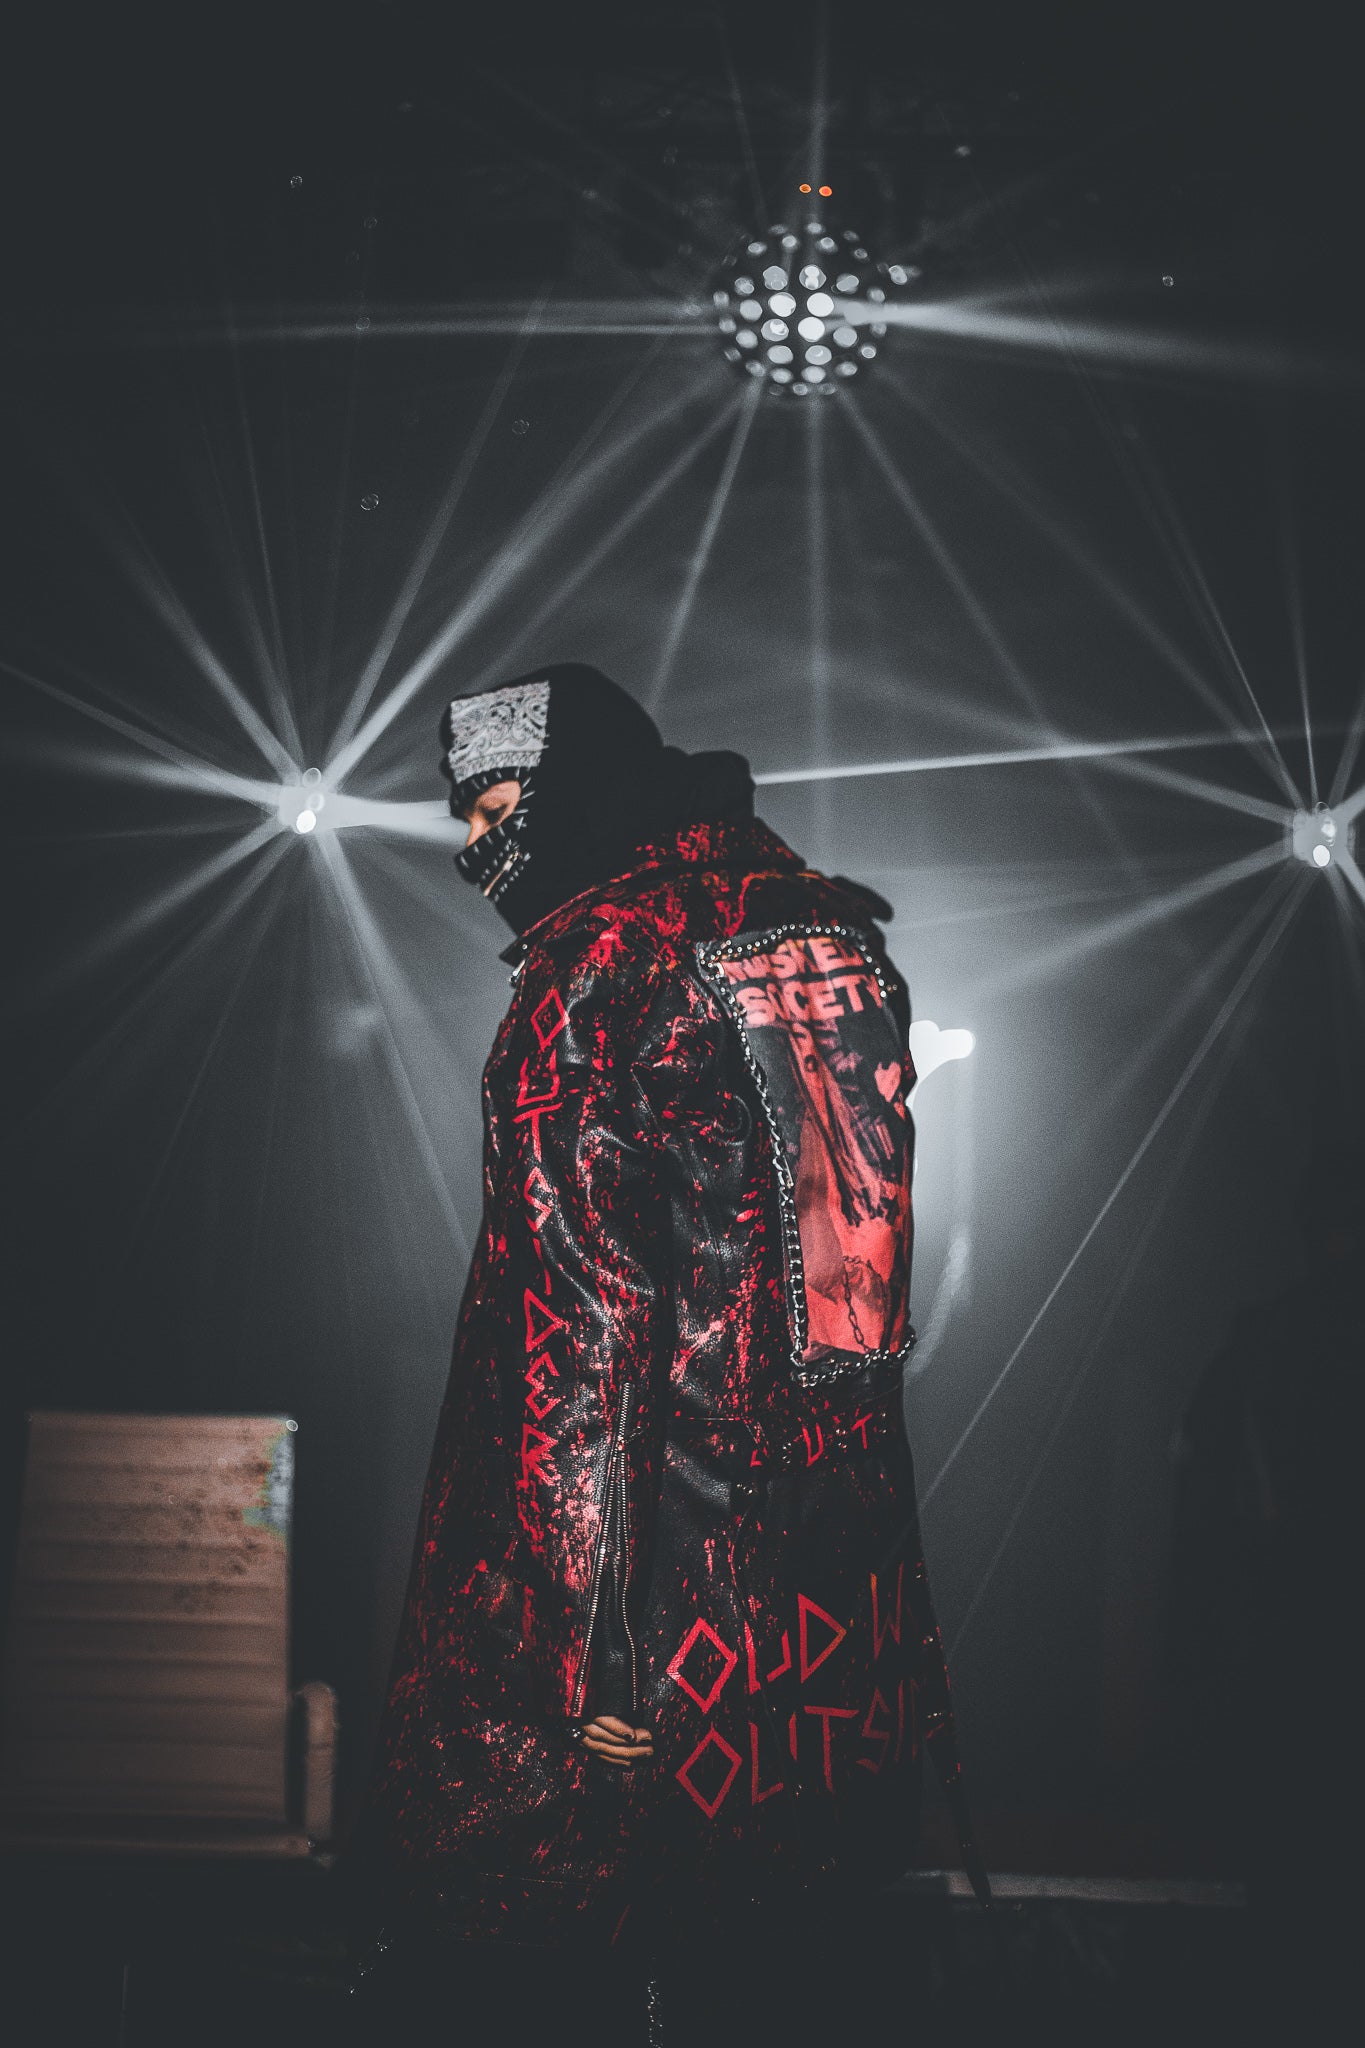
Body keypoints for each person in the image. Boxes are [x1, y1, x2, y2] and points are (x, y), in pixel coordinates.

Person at [349, 665, 980, 2040]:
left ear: (574, 789)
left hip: (634, 1629)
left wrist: (590, 1655)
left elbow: (574, 1343)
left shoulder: (599, 968)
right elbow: (859, 1315)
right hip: (825, 1618)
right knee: (781, 1975)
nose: (475, 850)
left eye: (498, 809)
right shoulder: (834, 942)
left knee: (537, 1970)